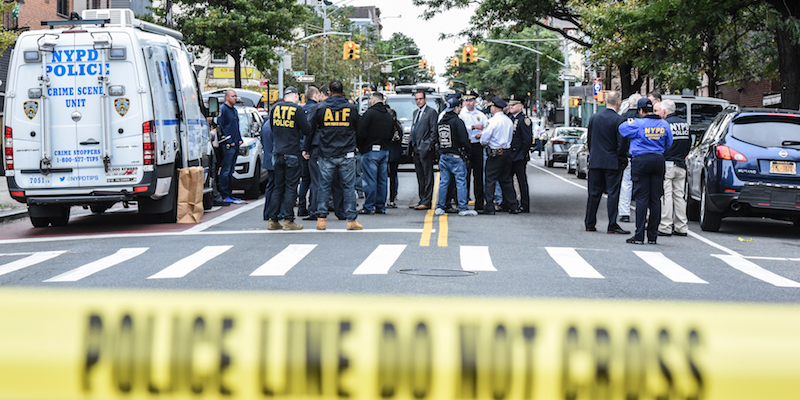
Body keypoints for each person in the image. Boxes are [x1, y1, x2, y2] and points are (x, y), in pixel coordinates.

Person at [308, 80, 362, 230]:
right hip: (347, 152)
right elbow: (358, 129)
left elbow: (311, 130)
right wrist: (358, 146)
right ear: (342, 92)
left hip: (326, 153)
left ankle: (321, 219)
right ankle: (351, 220)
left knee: (324, 187)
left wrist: (306, 148)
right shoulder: (351, 108)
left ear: (329, 93)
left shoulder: (321, 108)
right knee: (349, 187)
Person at [619, 98, 673, 244]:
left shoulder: (638, 123)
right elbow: (669, 143)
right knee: (655, 199)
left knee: (641, 199)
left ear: (641, 111)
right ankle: (653, 236)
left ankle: (639, 235)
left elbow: (622, 129)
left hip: (641, 161)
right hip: (658, 160)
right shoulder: (664, 124)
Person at [266, 86, 312, 230]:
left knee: (278, 187)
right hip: (292, 151)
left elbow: (272, 127)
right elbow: (307, 130)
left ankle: (273, 219)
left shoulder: (274, 108)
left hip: (278, 152)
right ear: (296, 96)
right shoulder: (297, 109)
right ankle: (288, 220)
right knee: (291, 187)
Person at [584, 90, 630, 234]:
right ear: (618, 102)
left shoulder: (594, 118)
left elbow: (590, 140)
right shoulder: (619, 120)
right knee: (613, 193)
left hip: (596, 161)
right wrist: (622, 159)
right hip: (612, 162)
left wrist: (593, 155)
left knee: (593, 193)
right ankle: (612, 224)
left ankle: (590, 222)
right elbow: (622, 143)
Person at [435, 97, 477, 217]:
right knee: (461, 182)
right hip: (456, 155)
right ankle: (463, 208)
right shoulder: (457, 121)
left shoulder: (441, 121)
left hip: (444, 155)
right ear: (456, 108)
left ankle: (440, 207)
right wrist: (468, 151)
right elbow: (464, 140)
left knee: (444, 182)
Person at [479, 97, 519, 214]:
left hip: (495, 153)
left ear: (494, 108)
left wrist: (481, 139)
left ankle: (490, 206)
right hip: (506, 152)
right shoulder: (509, 121)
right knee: (506, 180)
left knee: (490, 180)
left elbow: (484, 139)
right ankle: (513, 205)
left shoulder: (492, 121)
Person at [658, 99, 690, 237]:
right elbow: (689, 143)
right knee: (679, 196)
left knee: (666, 196)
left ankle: (665, 225)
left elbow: (662, 144)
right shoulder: (685, 124)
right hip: (681, 164)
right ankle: (681, 226)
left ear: (664, 111)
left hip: (668, 163)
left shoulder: (665, 124)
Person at [357, 92, 393, 214]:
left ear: (373, 100)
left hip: (370, 150)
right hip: (384, 150)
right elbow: (391, 132)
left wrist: (360, 146)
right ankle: (380, 206)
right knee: (382, 180)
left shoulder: (370, 114)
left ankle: (369, 206)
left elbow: (361, 132)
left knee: (370, 180)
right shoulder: (388, 115)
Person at [409, 91, 438, 210]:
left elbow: (433, 131)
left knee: (427, 175)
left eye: (420, 99)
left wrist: (429, 145)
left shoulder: (431, 112)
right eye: (416, 99)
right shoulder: (416, 112)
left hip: (425, 148)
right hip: (416, 148)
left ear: (425, 100)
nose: (418, 101)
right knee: (420, 175)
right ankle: (422, 198)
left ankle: (427, 200)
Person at [459, 90, 487, 211]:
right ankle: (463, 201)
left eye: (470, 100)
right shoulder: (460, 114)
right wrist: (473, 127)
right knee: (464, 175)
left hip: (477, 146)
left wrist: (482, 133)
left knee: (478, 175)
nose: (468, 103)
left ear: (475, 101)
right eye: (466, 100)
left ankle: (479, 202)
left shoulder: (480, 115)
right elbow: (459, 128)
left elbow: (489, 128)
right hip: (465, 146)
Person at [215, 89, 243, 203]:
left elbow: (235, 126)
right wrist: (228, 140)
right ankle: (224, 194)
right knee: (226, 170)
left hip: (235, 144)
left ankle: (230, 194)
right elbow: (220, 126)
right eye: (232, 96)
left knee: (231, 170)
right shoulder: (223, 110)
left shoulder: (234, 110)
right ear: (227, 98)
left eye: (235, 96)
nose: (235, 98)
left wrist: (239, 139)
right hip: (228, 145)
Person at [618, 93, 641, 223]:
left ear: (628, 104)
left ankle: (624, 213)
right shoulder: (643, 119)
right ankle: (644, 211)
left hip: (627, 156)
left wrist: (621, 156)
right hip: (640, 156)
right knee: (642, 185)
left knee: (626, 185)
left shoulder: (623, 118)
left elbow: (621, 139)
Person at [297, 86, 320, 217]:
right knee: (314, 179)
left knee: (304, 179)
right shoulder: (317, 109)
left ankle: (301, 206)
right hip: (312, 148)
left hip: (301, 147)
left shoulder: (300, 110)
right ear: (315, 95)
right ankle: (313, 205)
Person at [508, 95, 533, 213]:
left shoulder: (524, 120)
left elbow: (527, 140)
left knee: (521, 180)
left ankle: (525, 204)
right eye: (510, 105)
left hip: (519, 155)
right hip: (510, 155)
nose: (511, 107)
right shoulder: (511, 118)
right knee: (507, 180)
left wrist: (522, 154)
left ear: (520, 106)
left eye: (513, 105)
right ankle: (511, 202)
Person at [386, 106, 403, 208]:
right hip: (395, 155)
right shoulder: (398, 127)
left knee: (384, 178)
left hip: (388, 153)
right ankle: (392, 199)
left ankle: (386, 199)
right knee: (393, 177)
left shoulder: (388, 127)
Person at [260, 118, 276, 220]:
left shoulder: (265, 125)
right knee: (278, 186)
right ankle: (275, 212)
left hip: (268, 159)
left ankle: (268, 212)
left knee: (271, 185)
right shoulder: (273, 126)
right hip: (275, 158)